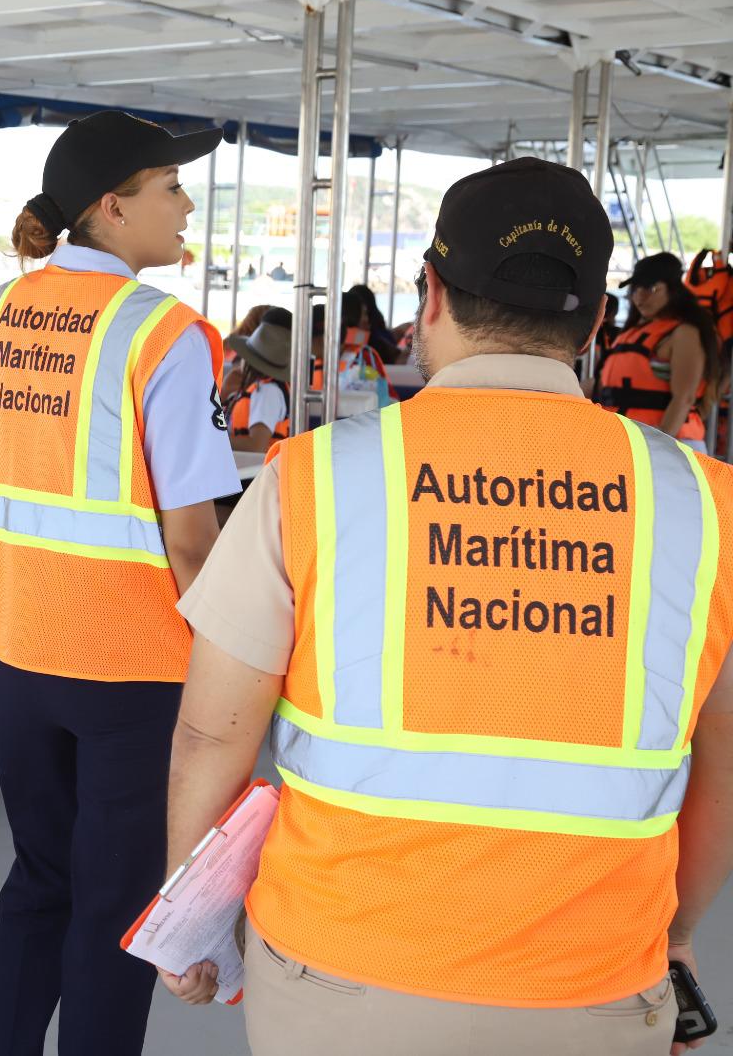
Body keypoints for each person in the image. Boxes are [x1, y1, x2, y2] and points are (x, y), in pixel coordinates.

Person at [162, 158, 733, 1056]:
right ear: (591, 323)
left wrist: (186, 916)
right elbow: (723, 761)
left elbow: (210, 735)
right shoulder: (708, 504)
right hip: (593, 982)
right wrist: (676, 935)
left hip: (337, 972)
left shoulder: (310, 479)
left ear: (431, 294)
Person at [0, 111, 238, 1056]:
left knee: (40, 879)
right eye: (170, 186)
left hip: (11, 646)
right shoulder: (166, 333)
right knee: (119, 904)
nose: (186, 202)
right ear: (112, 208)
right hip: (129, 661)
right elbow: (192, 539)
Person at [599, 252, 723, 452]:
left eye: (651, 288)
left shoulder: (684, 333)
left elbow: (685, 397)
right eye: (636, 289)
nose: (640, 296)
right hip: (632, 444)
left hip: (671, 445)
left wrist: (658, 449)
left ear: (673, 290)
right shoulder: (632, 333)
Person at [224, 307, 291, 452]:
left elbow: (256, 445)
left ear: (250, 362)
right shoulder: (264, 388)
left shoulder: (267, 392)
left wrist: (211, 441)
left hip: (253, 471)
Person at [342, 283, 400, 363]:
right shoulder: (375, 345)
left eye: (366, 314)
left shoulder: (333, 349)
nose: (367, 320)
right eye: (365, 314)